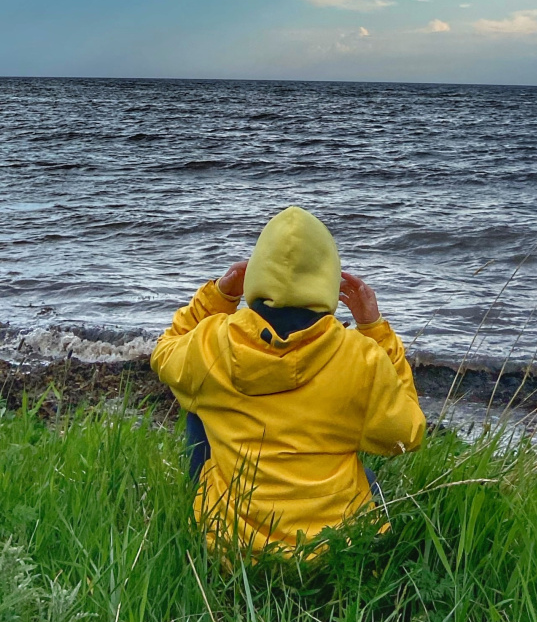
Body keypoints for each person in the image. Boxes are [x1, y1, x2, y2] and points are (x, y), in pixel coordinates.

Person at [151, 204, 426, 552]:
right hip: (334, 554)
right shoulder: (361, 357)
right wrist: (375, 330)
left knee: (196, 401)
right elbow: (407, 434)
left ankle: (209, 523)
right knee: (363, 471)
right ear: (327, 277)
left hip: (234, 553)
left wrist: (220, 295)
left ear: (257, 273)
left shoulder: (212, 343)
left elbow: (164, 351)